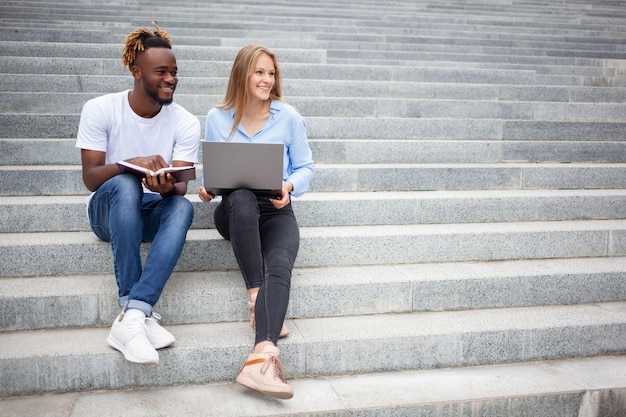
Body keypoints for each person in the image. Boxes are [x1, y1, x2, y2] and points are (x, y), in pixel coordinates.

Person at [76, 23, 201, 365]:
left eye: (174, 72)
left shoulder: (186, 121)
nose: (171, 79)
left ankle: (135, 314)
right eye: (161, 72)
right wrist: (129, 165)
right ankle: (132, 307)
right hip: (107, 212)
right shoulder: (100, 109)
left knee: (181, 207)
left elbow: (181, 185)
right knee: (126, 182)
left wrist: (164, 186)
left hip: (149, 211)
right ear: (136, 72)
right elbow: (91, 178)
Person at [198, 45, 314, 399]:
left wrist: (290, 185)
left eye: (271, 73)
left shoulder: (289, 117)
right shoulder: (217, 118)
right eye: (259, 72)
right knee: (243, 196)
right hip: (234, 209)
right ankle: (255, 295)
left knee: (279, 263)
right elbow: (214, 171)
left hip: (277, 206)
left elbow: (306, 167)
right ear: (242, 75)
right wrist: (207, 188)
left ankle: (262, 358)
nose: (267, 80)